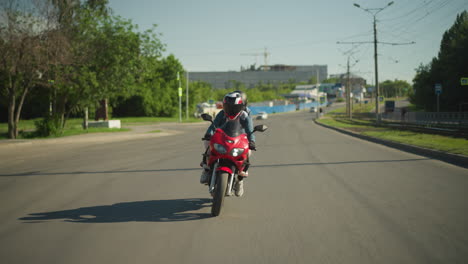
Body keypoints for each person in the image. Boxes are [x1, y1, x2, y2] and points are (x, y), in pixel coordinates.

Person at [200, 91, 255, 197]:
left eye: (233, 107)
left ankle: (240, 178)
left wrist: (252, 141)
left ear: (240, 106)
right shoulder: (222, 113)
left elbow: (250, 130)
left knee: (248, 151)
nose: (230, 109)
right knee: (208, 142)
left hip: (239, 140)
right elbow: (213, 126)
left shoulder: (245, 115)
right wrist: (208, 134)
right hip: (222, 137)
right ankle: (206, 168)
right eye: (228, 107)